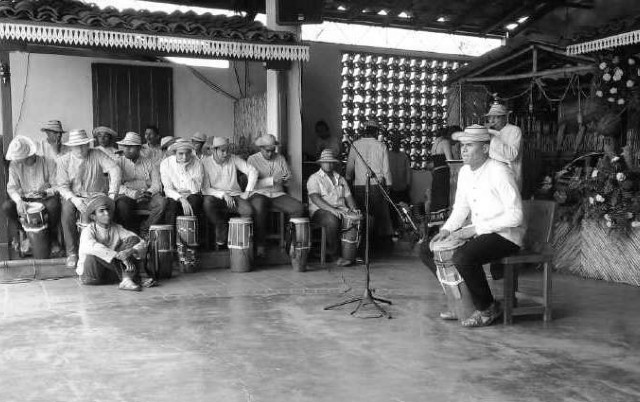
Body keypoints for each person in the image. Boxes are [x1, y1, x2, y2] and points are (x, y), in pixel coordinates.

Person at [428, 125, 524, 328]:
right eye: (462, 145)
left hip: (506, 236)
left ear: (485, 149)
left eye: (469, 145)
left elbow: (516, 216)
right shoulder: (464, 172)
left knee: (464, 256)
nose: (463, 150)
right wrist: (446, 230)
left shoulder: (500, 171)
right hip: (481, 231)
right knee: (426, 250)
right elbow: (461, 208)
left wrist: (475, 229)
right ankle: (462, 303)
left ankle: (488, 307)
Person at [57, 129, 122, 269]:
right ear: (70, 147)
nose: (80, 149)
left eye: (83, 145)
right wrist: (75, 199)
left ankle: (105, 249)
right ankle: (72, 253)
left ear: (88, 144)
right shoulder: (63, 161)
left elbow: (115, 169)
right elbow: (62, 186)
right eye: (76, 145)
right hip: (74, 195)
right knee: (67, 211)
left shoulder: (97, 154)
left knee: (107, 210)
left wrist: (112, 194)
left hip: (96, 194)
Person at [247, 134, 304, 257]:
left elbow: (288, 178)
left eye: (273, 151)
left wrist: (286, 180)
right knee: (259, 206)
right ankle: (260, 245)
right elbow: (252, 183)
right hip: (259, 193)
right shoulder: (252, 159)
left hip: (278, 194)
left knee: (298, 208)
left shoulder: (280, 158)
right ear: (261, 148)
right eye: (267, 151)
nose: (270, 154)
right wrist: (272, 180)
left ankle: (289, 243)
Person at [3, 136, 61, 255]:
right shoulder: (14, 165)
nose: (19, 161)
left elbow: (58, 185)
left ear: (30, 154)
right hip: (25, 199)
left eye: (21, 158)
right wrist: (19, 201)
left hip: (45, 198)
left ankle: (52, 236)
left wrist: (47, 192)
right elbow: (11, 188)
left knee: (54, 205)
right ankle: (25, 234)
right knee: (7, 207)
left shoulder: (48, 162)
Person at [77, 194, 147, 291]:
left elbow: (141, 242)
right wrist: (117, 255)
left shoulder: (116, 228)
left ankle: (127, 279)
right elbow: (91, 247)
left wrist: (130, 251)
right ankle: (133, 278)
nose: (107, 213)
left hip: (109, 274)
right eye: (101, 211)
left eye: (107, 210)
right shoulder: (88, 230)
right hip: (91, 275)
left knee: (133, 240)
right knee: (94, 252)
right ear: (93, 217)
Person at [202, 137, 257, 249]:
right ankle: (221, 228)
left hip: (235, 196)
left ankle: (239, 243)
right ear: (214, 150)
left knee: (248, 211)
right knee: (207, 203)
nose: (226, 153)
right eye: (222, 150)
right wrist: (223, 195)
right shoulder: (205, 163)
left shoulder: (233, 159)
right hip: (216, 197)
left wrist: (248, 191)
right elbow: (205, 189)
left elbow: (252, 171)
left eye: (227, 150)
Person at [346, 120, 393, 248]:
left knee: (362, 215)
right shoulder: (381, 146)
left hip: (359, 186)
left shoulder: (355, 145)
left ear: (364, 130)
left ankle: (363, 244)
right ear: (376, 132)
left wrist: (348, 182)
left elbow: (349, 168)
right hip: (377, 186)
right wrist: (388, 185)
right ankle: (375, 245)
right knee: (378, 216)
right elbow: (386, 169)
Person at [307, 149, 359, 266]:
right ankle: (334, 256)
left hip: (341, 209)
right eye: (326, 162)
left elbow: (348, 196)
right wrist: (332, 210)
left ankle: (352, 253)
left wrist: (354, 209)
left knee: (365, 220)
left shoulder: (340, 178)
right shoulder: (314, 178)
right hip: (320, 211)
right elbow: (315, 198)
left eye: (331, 162)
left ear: (334, 163)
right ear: (321, 163)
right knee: (332, 220)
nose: (329, 164)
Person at [114, 132, 166, 238]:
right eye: (125, 146)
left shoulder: (148, 163)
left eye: (131, 147)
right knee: (122, 206)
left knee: (162, 203)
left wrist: (148, 192)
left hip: (146, 195)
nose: (127, 149)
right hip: (126, 195)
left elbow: (156, 184)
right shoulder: (118, 162)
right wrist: (133, 193)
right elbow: (116, 186)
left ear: (139, 148)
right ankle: (131, 234)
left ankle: (145, 227)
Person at [160, 138, 205, 225]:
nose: (184, 157)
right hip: (174, 195)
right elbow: (168, 189)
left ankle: (192, 236)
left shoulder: (197, 163)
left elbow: (196, 189)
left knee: (194, 202)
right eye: (181, 154)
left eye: (187, 153)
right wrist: (181, 199)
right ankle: (172, 237)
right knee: (172, 206)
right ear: (174, 153)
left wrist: (184, 169)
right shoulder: (166, 163)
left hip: (192, 194)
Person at [486, 102, 523, 189]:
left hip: (509, 178)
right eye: (490, 117)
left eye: (497, 117)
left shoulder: (514, 130)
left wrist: (493, 139)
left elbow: (512, 155)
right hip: (491, 178)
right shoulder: (489, 132)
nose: (492, 121)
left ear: (505, 117)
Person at [388, 133, 411, 233]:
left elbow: (408, 172)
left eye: (398, 142)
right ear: (392, 143)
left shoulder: (404, 156)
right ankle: (396, 229)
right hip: (392, 188)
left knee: (404, 209)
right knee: (393, 210)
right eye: (395, 142)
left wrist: (408, 183)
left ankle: (405, 227)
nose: (396, 144)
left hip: (402, 187)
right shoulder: (387, 155)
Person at [36, 120, 67, 184]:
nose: (59, 135)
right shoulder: (39, 147)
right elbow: (36, 170)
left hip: (63, 186)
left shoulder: (66, 148)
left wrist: (57, 152)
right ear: (47, 133)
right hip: (45, 187)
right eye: (55, 132)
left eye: (60, 132)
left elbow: (67, 169)